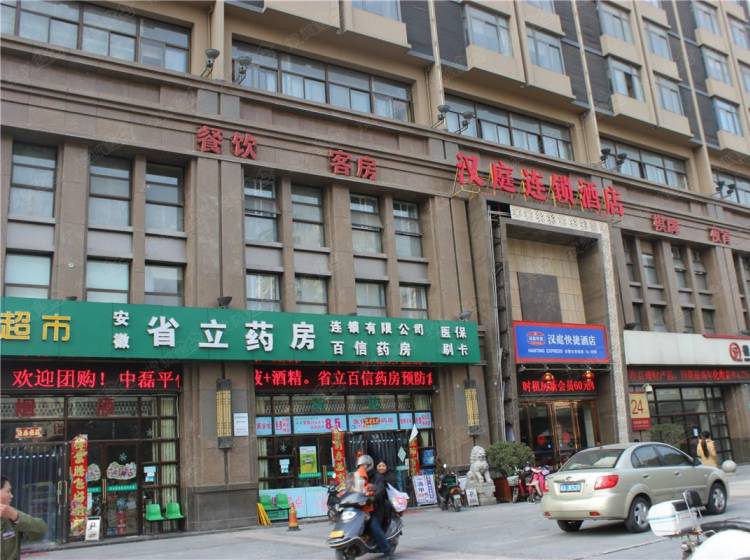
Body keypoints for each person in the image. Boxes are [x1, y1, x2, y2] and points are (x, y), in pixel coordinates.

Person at [354, 455, 393, 559]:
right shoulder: (358, 477)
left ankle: (387, 551)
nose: (362, 467)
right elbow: (352, 489)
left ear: (370, 465)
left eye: (364, 465)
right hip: (362, 507)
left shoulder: (378, 477)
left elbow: (380, 490)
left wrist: (373, 497)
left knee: (373, 526)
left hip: (377, 507)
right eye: (360, 465)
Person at [1, 476, 47, 560]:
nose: (11, 496)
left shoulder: (12, 514)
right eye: (8, 491)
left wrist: (16, 517)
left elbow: (40, 532)